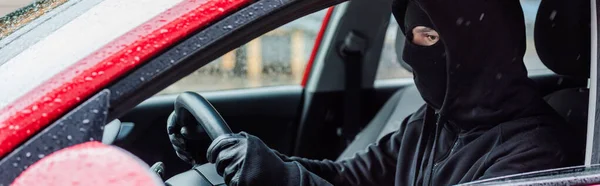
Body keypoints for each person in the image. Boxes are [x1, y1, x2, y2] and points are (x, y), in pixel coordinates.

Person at [168, 0, 579, 185]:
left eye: (429, 36)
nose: (409, 54)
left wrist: (279, 177)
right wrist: (251, 160)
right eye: (411, 36)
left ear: (480, 47)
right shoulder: (434, 122)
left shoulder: (536, 155)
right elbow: (349, 177)